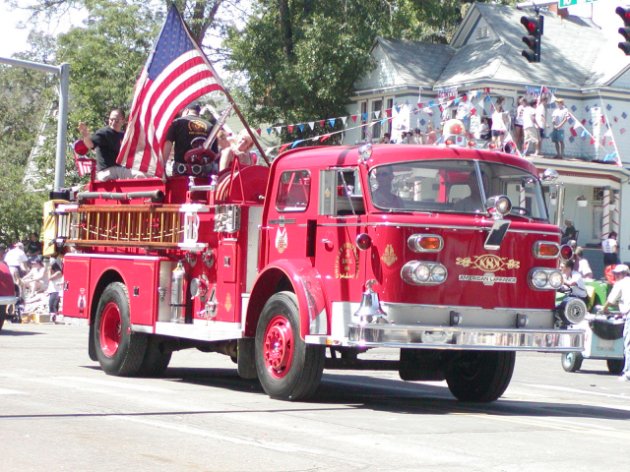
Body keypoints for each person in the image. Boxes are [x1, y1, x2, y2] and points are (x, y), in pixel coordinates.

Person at [78, 109, 145, 181]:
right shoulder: (104, 133)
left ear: (123, 121)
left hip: (119, 169)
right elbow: (90, 144)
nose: (113, 122)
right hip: (107, 171)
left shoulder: (123, 135)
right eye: (111, 119)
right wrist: (85, 135)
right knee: (140, 176)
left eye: (116, 120)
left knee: (149, 174)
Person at [162, 102, 214, 171]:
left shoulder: (177, 122)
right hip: (203, 171)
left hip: (181, 170)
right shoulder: (210, 125)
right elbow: (213, 151)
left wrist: (162, 167)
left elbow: (168, 143)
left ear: (186, 111)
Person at [600, 264, 630, 381]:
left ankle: (628, 373)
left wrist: (604, 310)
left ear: (623, 274)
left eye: (617, 274)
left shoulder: (621, 283)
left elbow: (610, 300)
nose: (615, 276)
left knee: (628, 345)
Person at [47, 260, 64, 324]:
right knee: (50, 304)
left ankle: (55, 318)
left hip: (57, 291)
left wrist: (49, 271)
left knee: (54, 304)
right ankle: (52, 318)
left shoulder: (58, 273)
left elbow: (49, 278)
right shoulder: (53, 273)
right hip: (52, 291)